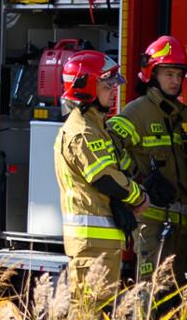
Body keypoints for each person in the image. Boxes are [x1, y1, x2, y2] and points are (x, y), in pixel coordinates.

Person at [53, 50, 157, 296]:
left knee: (100, 314)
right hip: (91, 244)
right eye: (107, 84)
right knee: (89, 316)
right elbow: (104, 177)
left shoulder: (97, 126)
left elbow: (117, 167)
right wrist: (138, 197)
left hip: (101, 242)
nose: (114, 90)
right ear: (86, 87)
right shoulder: (82, 132)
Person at [109, 35, 187, 282]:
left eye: (179, 75)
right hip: (152, 223)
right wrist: (137, 178)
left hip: (178, 224)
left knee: (172, 294)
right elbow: (109, 144)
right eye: (169, 73)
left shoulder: (174, 115)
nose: (175, 81)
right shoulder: (138, 111)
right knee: (150, 293)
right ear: (152, 73)